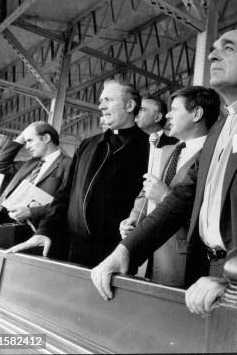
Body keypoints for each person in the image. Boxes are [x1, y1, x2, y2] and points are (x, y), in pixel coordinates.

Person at [91, 29, 237, 315]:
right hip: (207, 273)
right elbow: (181, 198)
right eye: (213, 48)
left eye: (228, 48)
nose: (213, 54)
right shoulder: (218, 130)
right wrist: (127, 250)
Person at [8, 79, 149, 266]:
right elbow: (64, 195)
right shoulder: (88, 145)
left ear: (130, 105)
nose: (101, 106)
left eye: (108, 100)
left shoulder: (149, 147)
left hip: (117, 252)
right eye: (100, 101)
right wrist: (44, 231)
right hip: (73, 247)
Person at [120, 86, 220, 286]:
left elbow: (212, 208)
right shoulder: (165, 150)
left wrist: (166, 198)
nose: (168, 115)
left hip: (182, 256)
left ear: (197, 114)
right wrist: (132, 220)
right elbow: (146, 190)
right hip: (149, 250)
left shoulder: (215, 154)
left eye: (175, 110)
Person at [0, 122, 72, 250]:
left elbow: (70, 203)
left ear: (46, 138)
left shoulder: (69, 164)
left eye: (29, 141)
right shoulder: (29, 164)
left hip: (40, 234)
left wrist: (31, 212)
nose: (26, 146)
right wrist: (21, 137)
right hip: (10, 228)